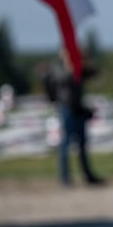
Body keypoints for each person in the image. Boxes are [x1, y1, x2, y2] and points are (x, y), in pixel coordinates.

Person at [44, 49, 102, 186]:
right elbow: (62, 78)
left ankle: (87, 175)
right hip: (66, 108)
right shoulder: (57, 66)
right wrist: (69, 66)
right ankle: (64, 178)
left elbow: (94, 73)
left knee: (82, 143)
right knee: (65, 143)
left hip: (79, 108)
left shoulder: (78, 66)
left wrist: (86, 62)